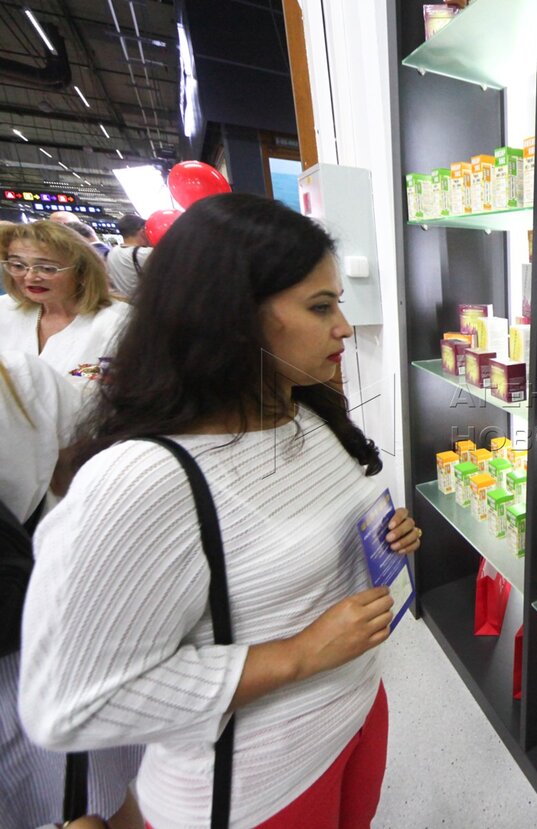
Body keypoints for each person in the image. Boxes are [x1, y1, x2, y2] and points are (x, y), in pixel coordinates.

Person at [19, 193, 422, 829]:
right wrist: (299, 653)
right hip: (255, 788)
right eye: (321, 306)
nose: (345, 327)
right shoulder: (142, 481)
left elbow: (290, 550)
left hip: (353, 718)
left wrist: (386, 537)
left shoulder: (305, 414)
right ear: (234, 317)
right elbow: (70, 705)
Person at [0, 351, 143, 829]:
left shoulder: (19, 376)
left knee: (83, 797)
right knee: (88, 796)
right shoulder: (18, 372)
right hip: (36, 620)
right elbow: (76, 463)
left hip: (28, 622)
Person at [0, 221, 130, 380]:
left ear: (82, 272)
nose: (30, 277)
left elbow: (108, 380)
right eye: (18, 265)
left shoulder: (120, 321)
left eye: (47, 268)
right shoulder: (5, 309)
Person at [105, 213, 152, 298]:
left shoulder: (112, 252)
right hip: (142, 302)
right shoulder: (145, 253)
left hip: (122, 301)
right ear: (142, 232)